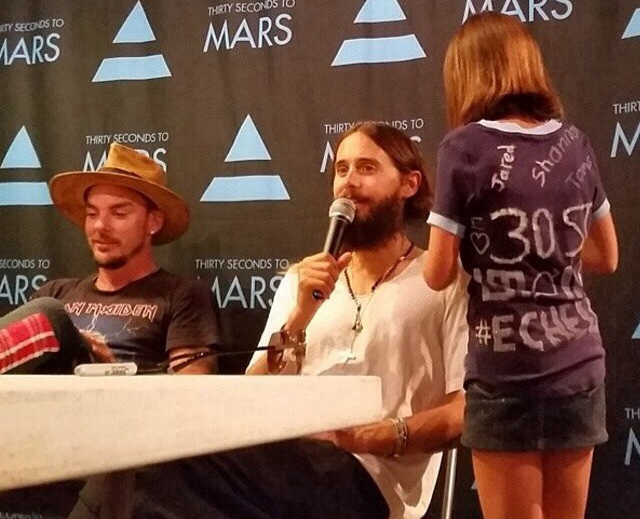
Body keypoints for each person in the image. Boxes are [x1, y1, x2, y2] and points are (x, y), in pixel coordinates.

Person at [71, 122, 468, 519]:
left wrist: (369, 437)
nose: (349, 182)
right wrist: (300, 315)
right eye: (341, 169)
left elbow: (463, 410)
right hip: (280, 460)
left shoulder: (443, 280)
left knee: (153, 461)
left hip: (366, 480)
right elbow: (252, 393)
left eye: (366, 168)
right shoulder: (303, 281)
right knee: (138, 460)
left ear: (409, 184)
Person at [423, 12, 619, 519]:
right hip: (579, 366)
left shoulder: (463, 147)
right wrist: (546, 246)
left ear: (465, 74)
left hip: (505, 375)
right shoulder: (574, 142)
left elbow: (437, 273)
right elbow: (606, 255)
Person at [0, 142, 221, 375]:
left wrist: (109, 371)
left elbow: (191, 387)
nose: (100, 226)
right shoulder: (55, 291)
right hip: (36, 396)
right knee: (47, 311)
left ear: (153, 222)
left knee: (51, 314)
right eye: (92, 213)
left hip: (116, 397)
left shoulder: (182, 296)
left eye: (119, 213)